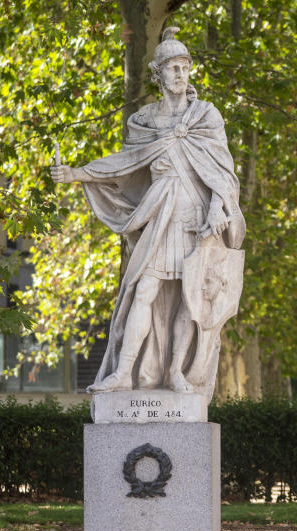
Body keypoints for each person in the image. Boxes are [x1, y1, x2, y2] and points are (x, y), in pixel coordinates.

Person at [51, 27, 245, 399]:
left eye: (185, 67)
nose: (180, 74)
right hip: (160, 215)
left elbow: (223, 174)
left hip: (196, 220)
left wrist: (220, 207)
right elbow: (124, 164)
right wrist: (76, 174)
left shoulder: (207, 116)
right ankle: (124, 373)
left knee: (191, 302)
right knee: (144, 292)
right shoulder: (143, 122)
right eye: (172, 68)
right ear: (157, 74)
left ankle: (175, 372)